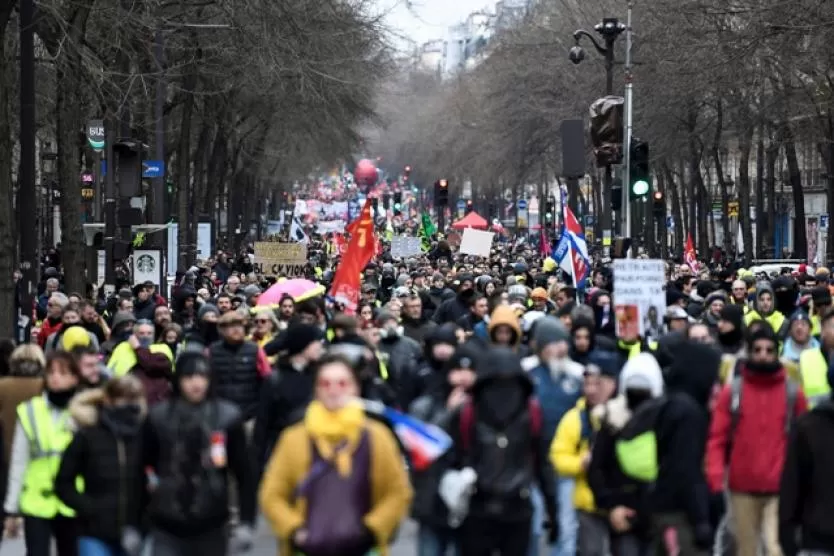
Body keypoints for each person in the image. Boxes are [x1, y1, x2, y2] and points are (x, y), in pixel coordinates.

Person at [259, 353, 413, 556]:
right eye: (326, 384)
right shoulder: (293, 438)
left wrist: (372, 530)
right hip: (308, 548)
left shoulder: (377, 435)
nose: (334, 391)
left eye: (342, 383)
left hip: (363, 549)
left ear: (355, 388)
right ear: (316, 390)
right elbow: (272, 495)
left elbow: (398, 491)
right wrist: (294, 530)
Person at [141, 352, 256, 556]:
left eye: (202, 376)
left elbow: (244, 473)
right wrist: (135, 523)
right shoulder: (158, 418)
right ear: (178, 380)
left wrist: (246, 521)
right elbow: (140, 469)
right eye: (189, 377)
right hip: (167, 523)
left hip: (212, 523)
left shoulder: (227, 418)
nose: (196, 383)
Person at [55, 376, 147, 556]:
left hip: (134, 531)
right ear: (108, 400)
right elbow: (63, 482)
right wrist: (88, 508)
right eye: (123, 398)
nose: (128, 405)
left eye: (133, 399)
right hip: (94, 532)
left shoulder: (144, 435)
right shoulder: (88, 435)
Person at [3, 352, 83, 556]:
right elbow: (19, 461)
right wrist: (11, 509)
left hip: (73, 502)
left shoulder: (84, 413)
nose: (56, 377)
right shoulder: (30, 411)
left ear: (75, 377)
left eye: (63, 372)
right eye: (51, 372)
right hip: (37, 501)